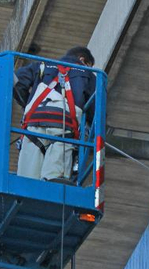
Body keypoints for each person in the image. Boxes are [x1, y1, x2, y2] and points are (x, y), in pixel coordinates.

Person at [13, 46, 96, 181]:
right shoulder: (87, 74)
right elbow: (96, 112)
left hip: (33, 125)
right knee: (54, 180)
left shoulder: (42, 65)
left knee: (26, 180)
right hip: (63, 127)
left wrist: (28, 104)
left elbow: (15, 82)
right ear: (82, 60)